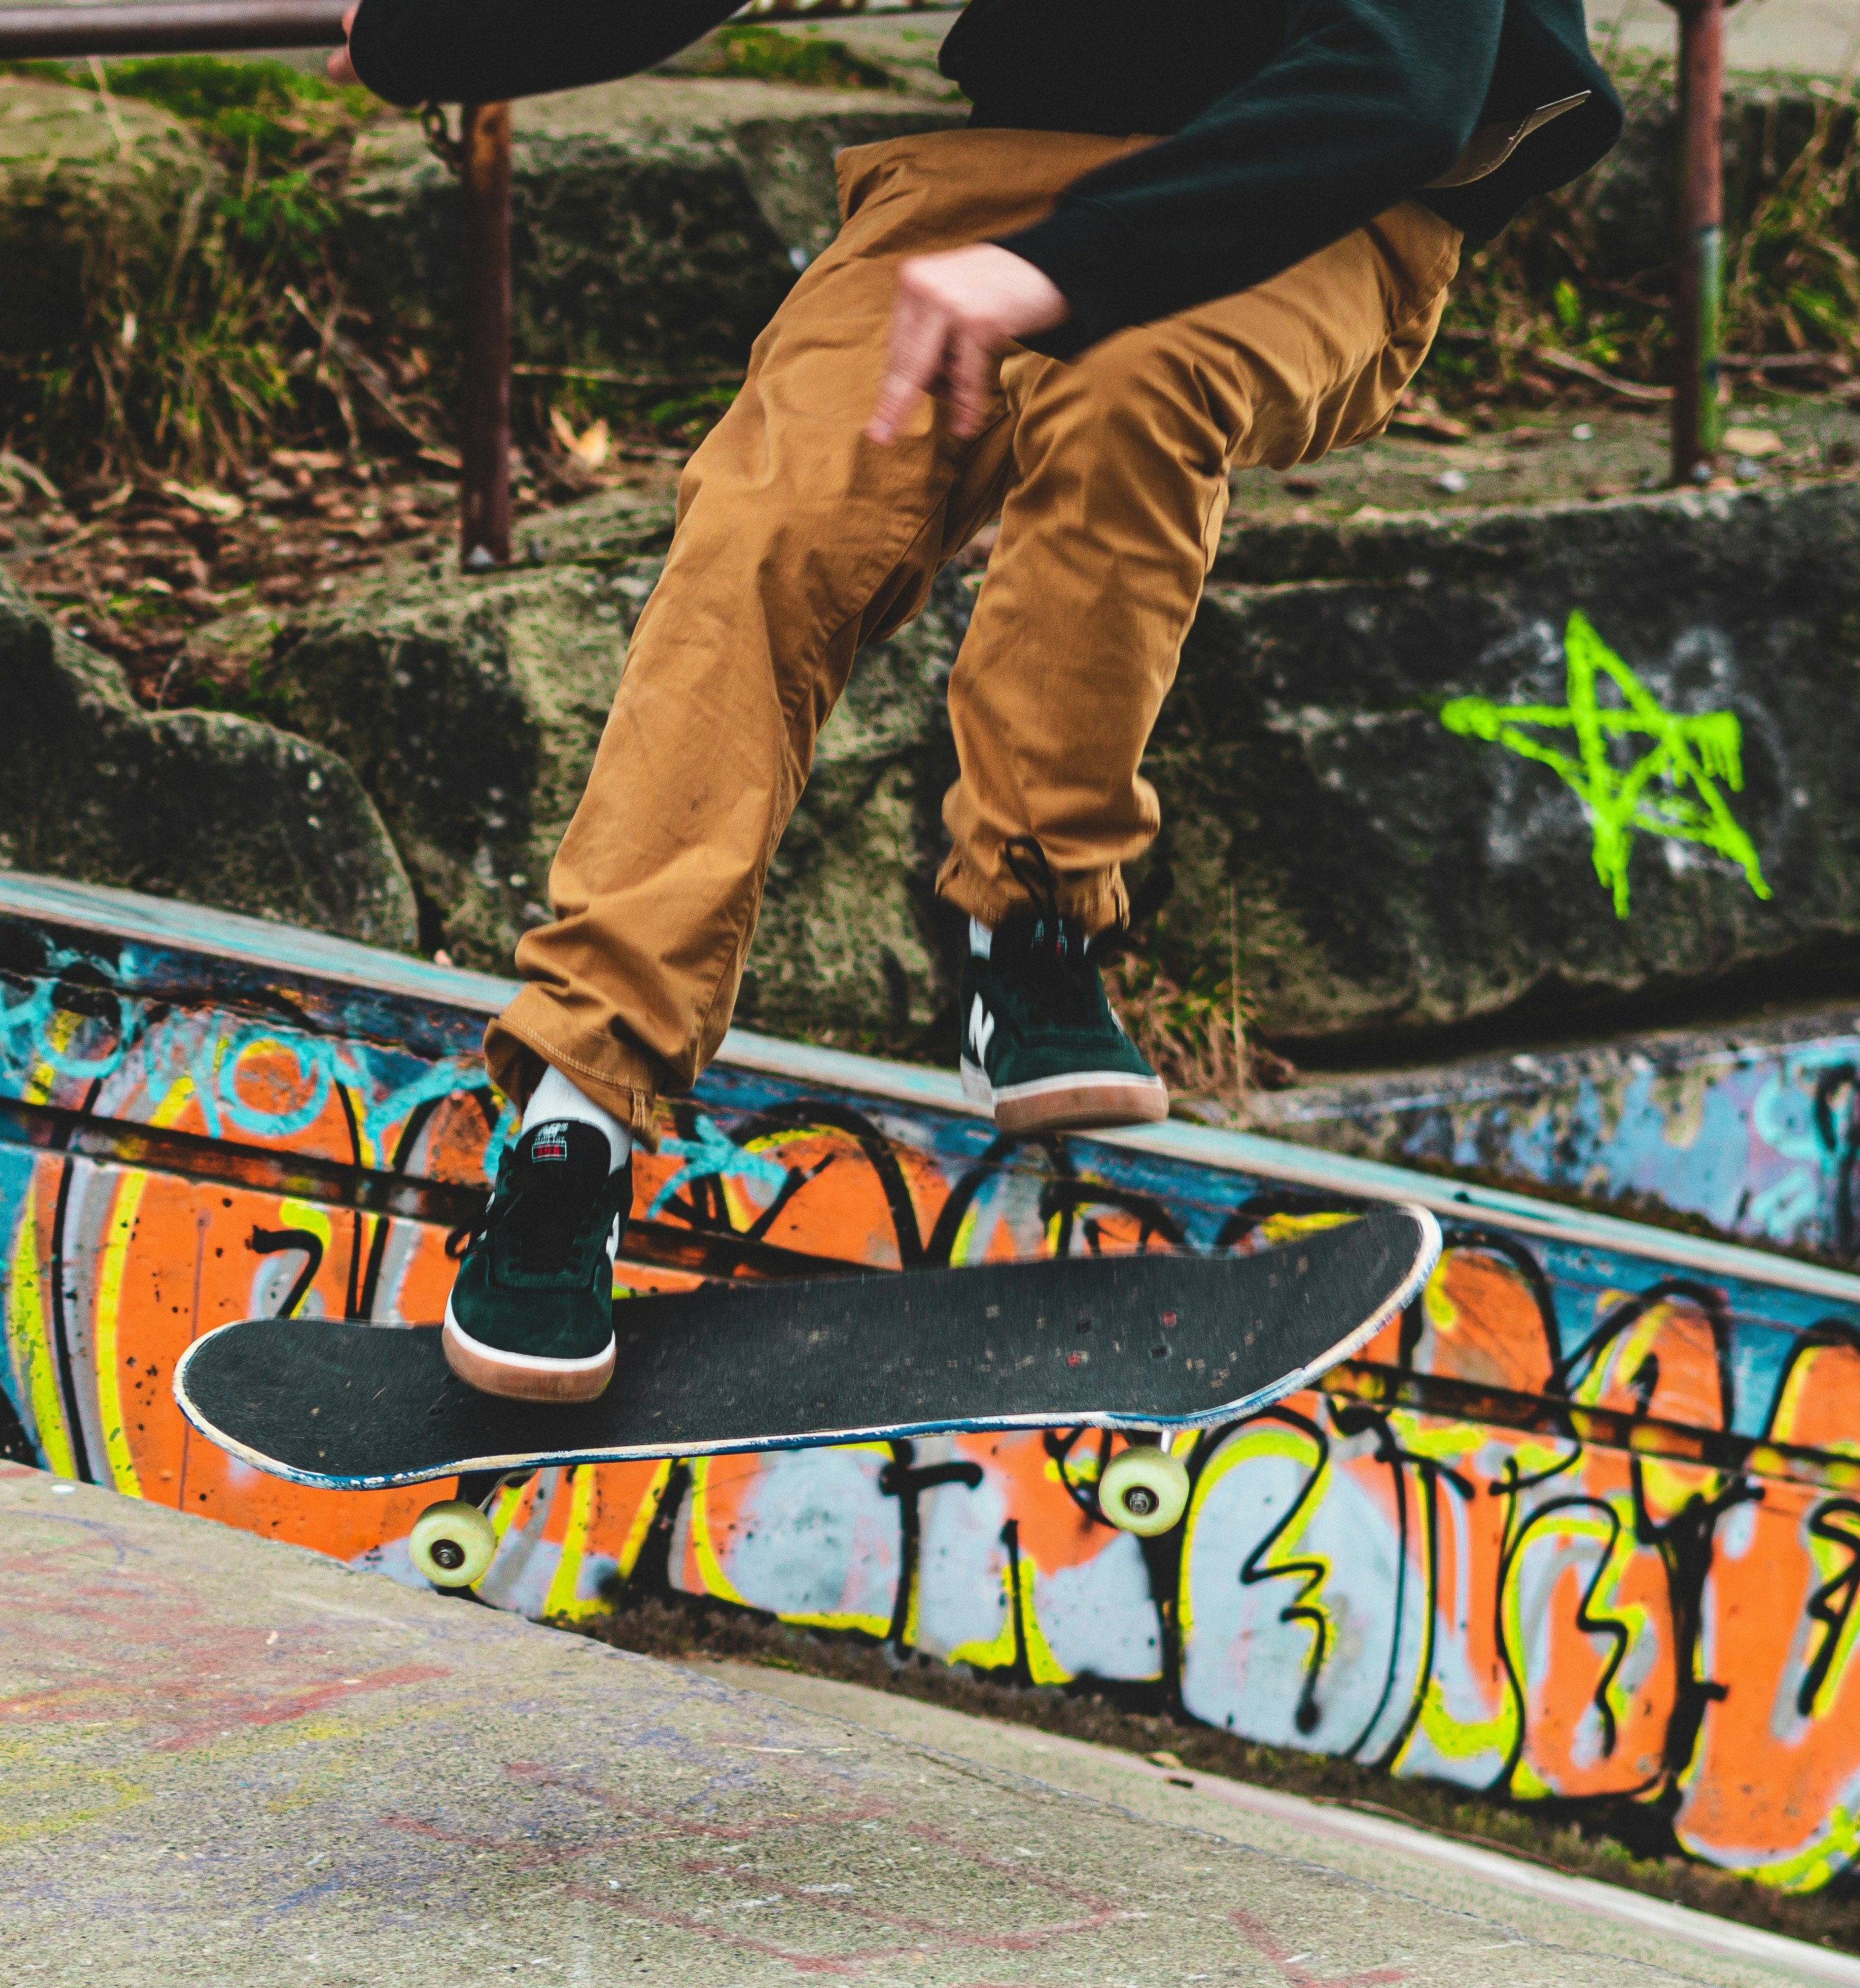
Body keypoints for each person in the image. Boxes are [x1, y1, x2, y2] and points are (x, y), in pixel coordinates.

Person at [329, 0, 1624, 1402]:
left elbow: (1403, 87)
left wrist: (1058, 270)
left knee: (1136, 377)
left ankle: (1034, 917)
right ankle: (579, 1121)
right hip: (997, 174)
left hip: (1321, 197)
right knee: (769, 529)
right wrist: (429, 34)